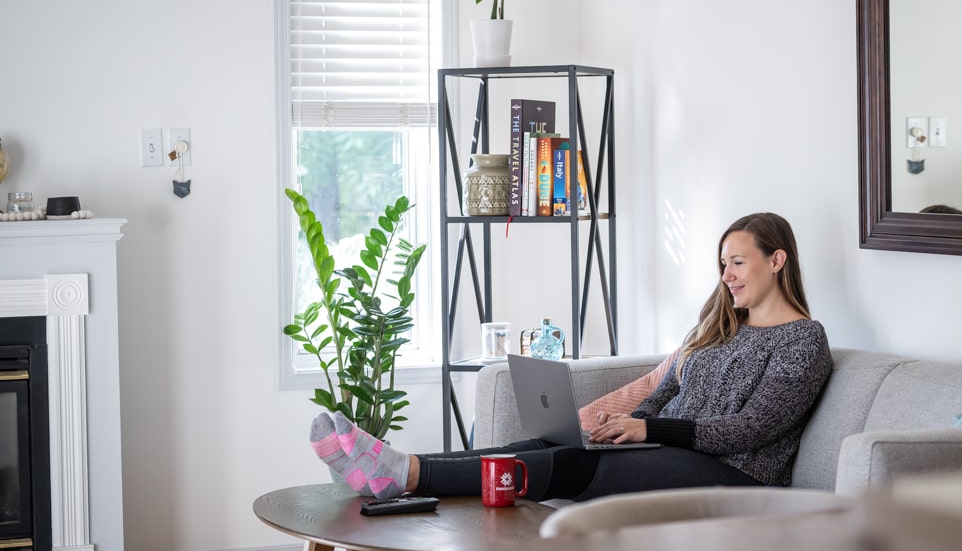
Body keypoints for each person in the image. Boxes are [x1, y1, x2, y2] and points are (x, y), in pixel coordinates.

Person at [310, 211, 834, 502]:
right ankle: (397, 467)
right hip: (674, 453)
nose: (726, 275)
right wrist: (629, 421)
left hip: (738, 477)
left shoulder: (803, 341)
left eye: (738, 262)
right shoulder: (721, 325)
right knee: (543, 442)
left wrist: (650, 432)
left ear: (777, 260)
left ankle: (401, 475)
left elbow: (754, 429)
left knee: (567, 462)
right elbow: (667, 390)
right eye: (723, 263)